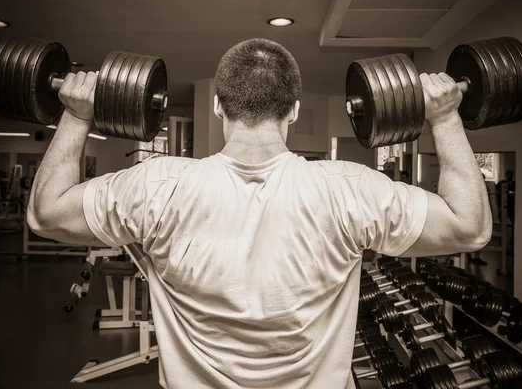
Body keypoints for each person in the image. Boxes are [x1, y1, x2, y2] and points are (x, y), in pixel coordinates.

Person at [27, 39, 492, 389]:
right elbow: (470, 228)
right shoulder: (349, 189)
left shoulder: (156, 185)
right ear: (293, 110)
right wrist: (446, 118)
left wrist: (75, 115)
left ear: (217, 106)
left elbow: (46, 215)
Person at [467, 173, 490, 265]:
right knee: (468, 238)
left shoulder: (485, 190)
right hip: (471, 217)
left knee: (481, 238)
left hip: (481, 217)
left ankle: (476, 257)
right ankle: (468, 255)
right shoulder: (469, 189)